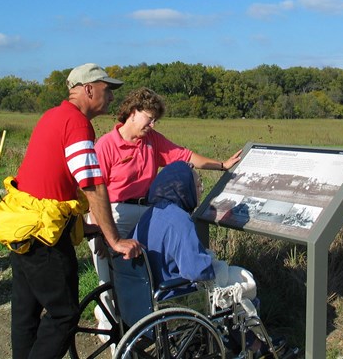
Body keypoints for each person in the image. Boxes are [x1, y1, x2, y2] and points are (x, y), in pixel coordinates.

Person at [9, 63, 143, 359]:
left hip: (22, 227)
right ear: (88, 89)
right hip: (45, 237)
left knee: (26, 312)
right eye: (107, 90)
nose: (110, 98)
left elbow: (51, 186)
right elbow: (92, 184)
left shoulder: (52, 116)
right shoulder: (77, 123)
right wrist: (114, 239)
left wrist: (89, 228)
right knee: (65, 315)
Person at [89, 87, 242, 332]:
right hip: (113, 213)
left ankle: (153, 318)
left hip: (145, 213)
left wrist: (221, 165)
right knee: (111, 278)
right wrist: (101, 231)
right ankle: (111, 331)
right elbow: (95, 192)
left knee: (148, 273)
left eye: (155, 120)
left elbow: (184, 156)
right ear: (133, 112)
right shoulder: (106, 146)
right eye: (149, 118)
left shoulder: (152, 141)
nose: (152, 124)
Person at [131, 161, 287, 358]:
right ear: (182, 189)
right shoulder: (179, 220)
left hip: (148, 291)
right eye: (197, 185)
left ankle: (234, 339)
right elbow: (197, 271)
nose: (200, 190)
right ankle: (254, 345)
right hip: (176, 293)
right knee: (243, 282)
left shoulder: (150, 214)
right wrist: (209, 261)